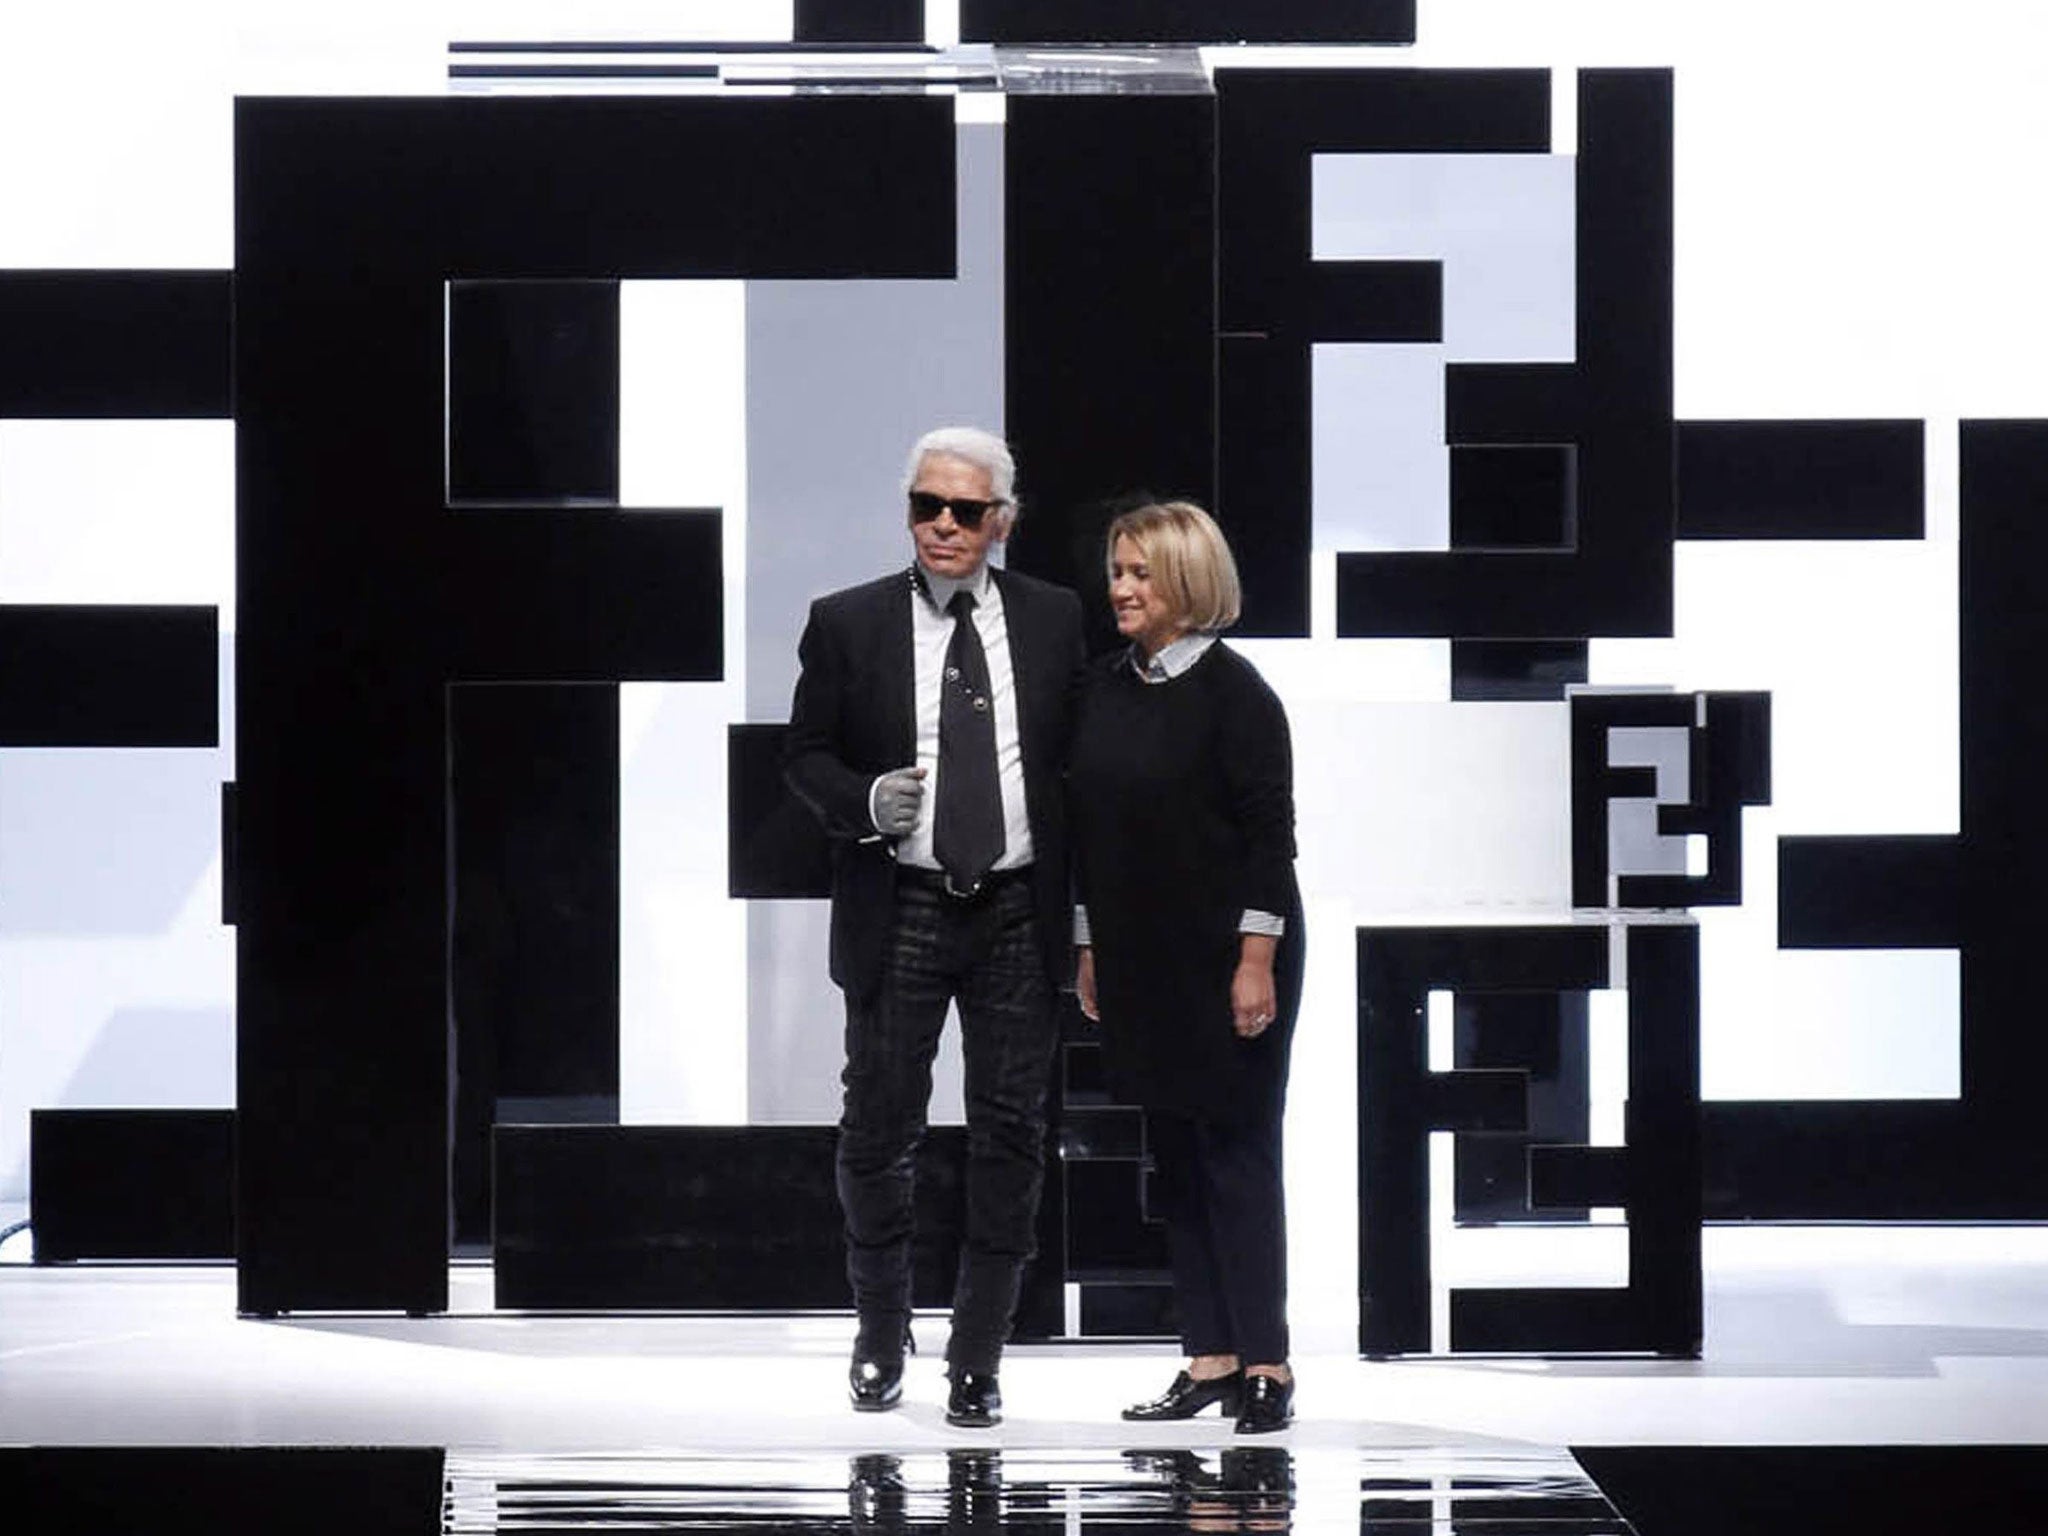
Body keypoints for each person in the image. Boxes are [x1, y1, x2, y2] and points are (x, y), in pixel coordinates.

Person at [783, 426, 1085, 1428]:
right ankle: (878, 1330)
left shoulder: (1051, 619)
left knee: (1010, 1134)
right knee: (877, 1130)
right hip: (899, 899)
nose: (941, 526)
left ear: (1001, 519)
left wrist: (1087, 920)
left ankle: (979, 1356)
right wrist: (862, 800)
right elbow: (805, 756)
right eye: (926, 505)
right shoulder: (846, 621)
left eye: (963, 510)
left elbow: (1076, 773)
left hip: (1014, 902)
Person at [1069, 500, 1304, 1435]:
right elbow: (1088, 836)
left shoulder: (1238, 694)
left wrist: (1256, 958)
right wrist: (1089, 946)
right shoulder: (1100, 689)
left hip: (1230, 957)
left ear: (1187, 583)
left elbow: (1268, 840)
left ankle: (1268, 1365)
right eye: (1117, 571)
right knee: (1177, 1161)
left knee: (1238, 1157)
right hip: (1139, 958)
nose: (1120, 589)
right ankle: (1207, 1358)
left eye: (1139, 574)